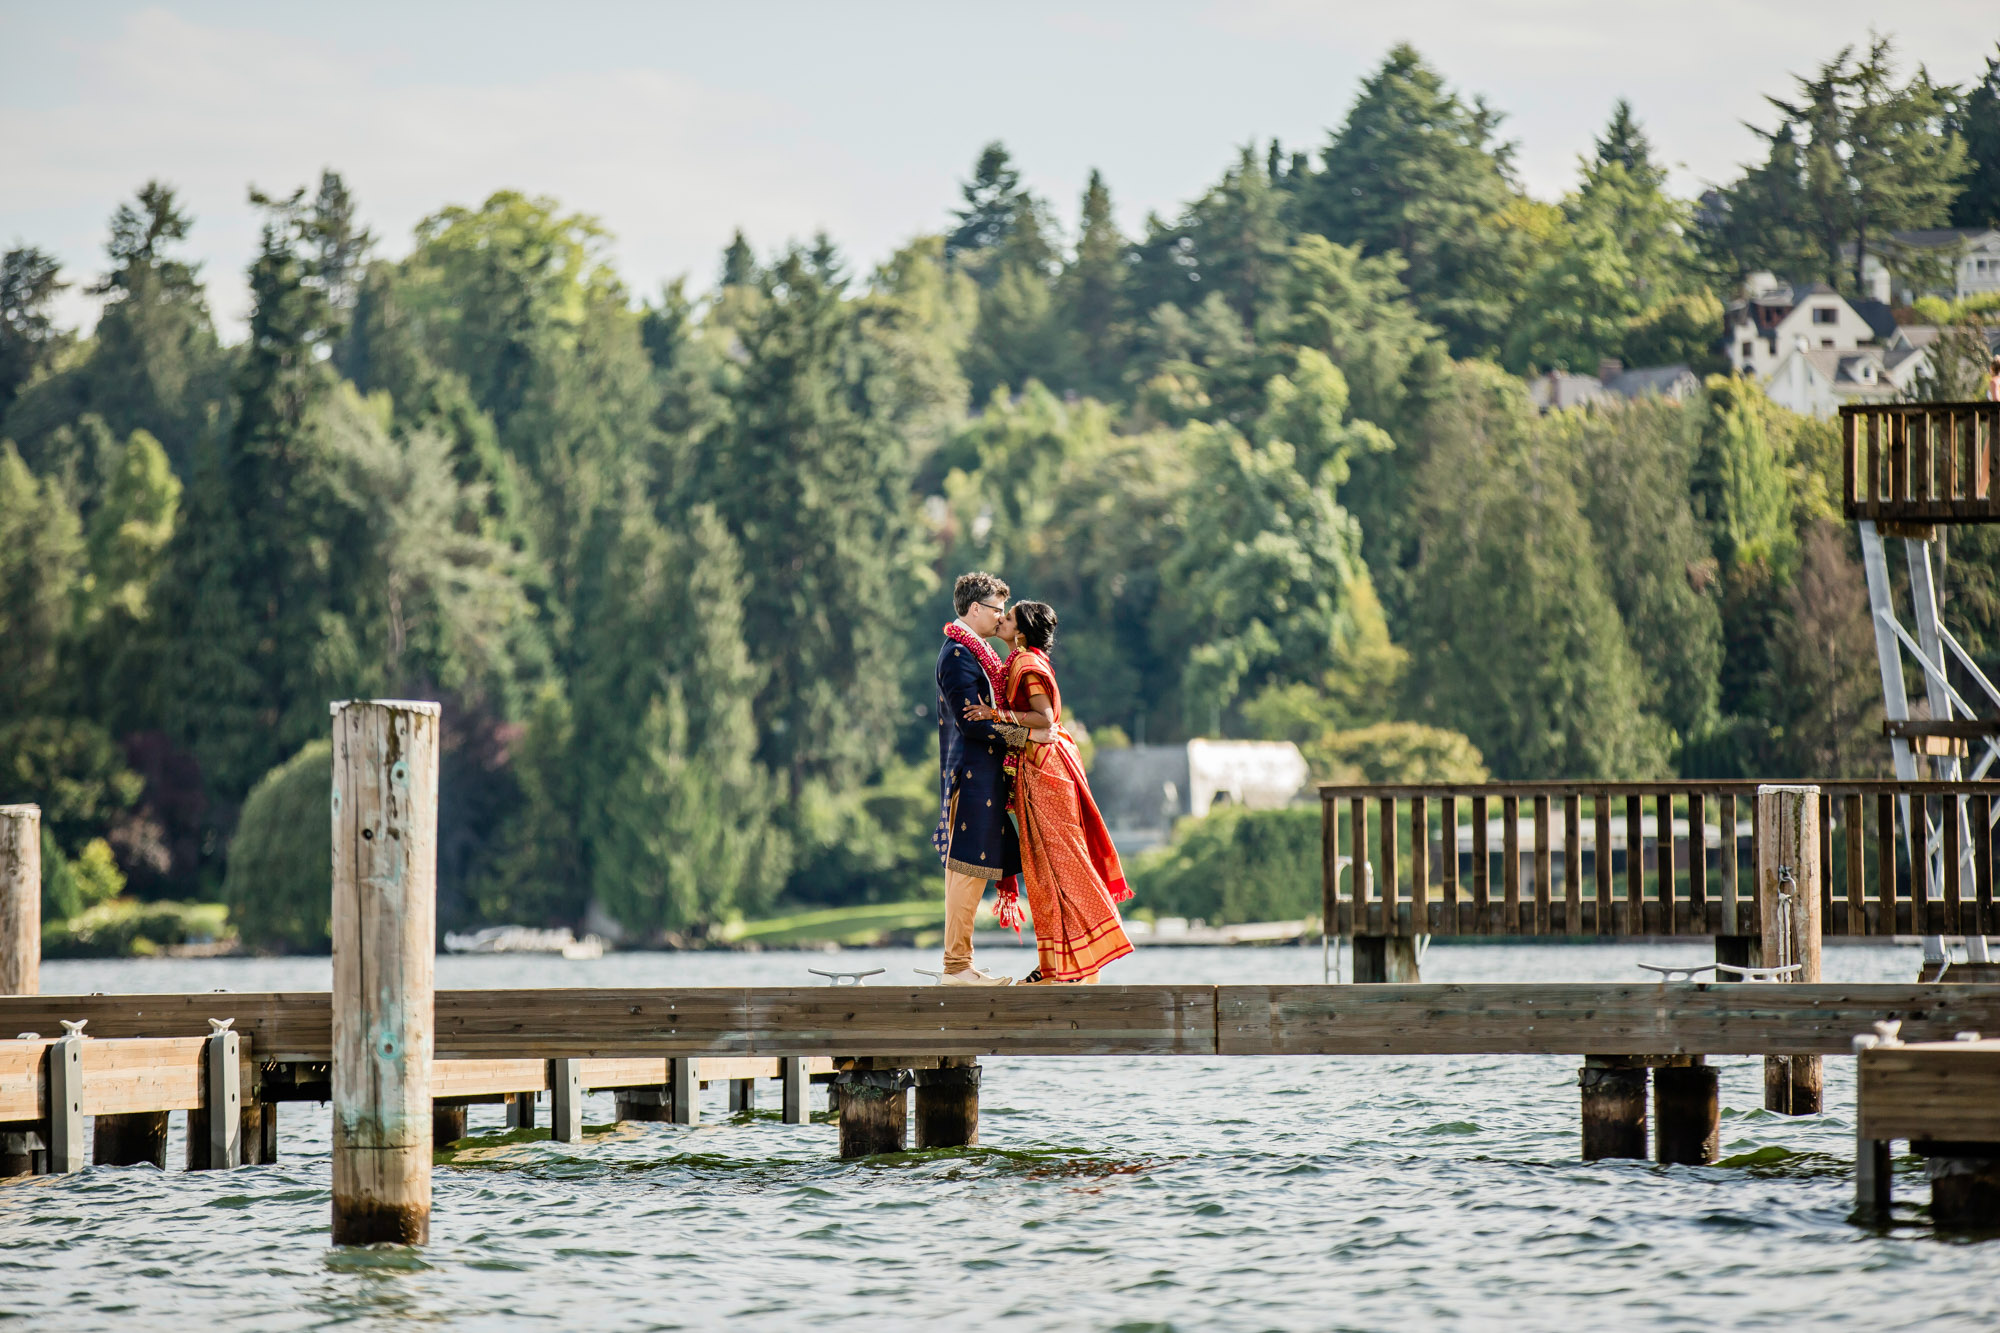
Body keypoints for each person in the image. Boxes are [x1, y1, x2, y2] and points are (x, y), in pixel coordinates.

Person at [965, 600, 1133, 983]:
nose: (1001, 620)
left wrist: (995, 715)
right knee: (1043, 873)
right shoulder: (1021, 661)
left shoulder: (1026, 664)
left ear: (1021, 631)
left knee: (1064, 866)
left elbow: (1044, 719)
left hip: (1045, 770)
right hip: (1037, 767)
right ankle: (1059, 967)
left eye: (1008, 618)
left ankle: (1086, 957)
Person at [932, 572, 1039, 985]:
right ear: (974, 609)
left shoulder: (975, 653)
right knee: (967, 870)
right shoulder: (958, 655)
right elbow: (971, 724)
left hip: (984, 776)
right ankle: (956, 968)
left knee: (974, 871)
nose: (1000, 619)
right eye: (996, 610)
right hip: (971, 776)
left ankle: (961, 964)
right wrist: (1027, 736)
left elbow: (985, 716)